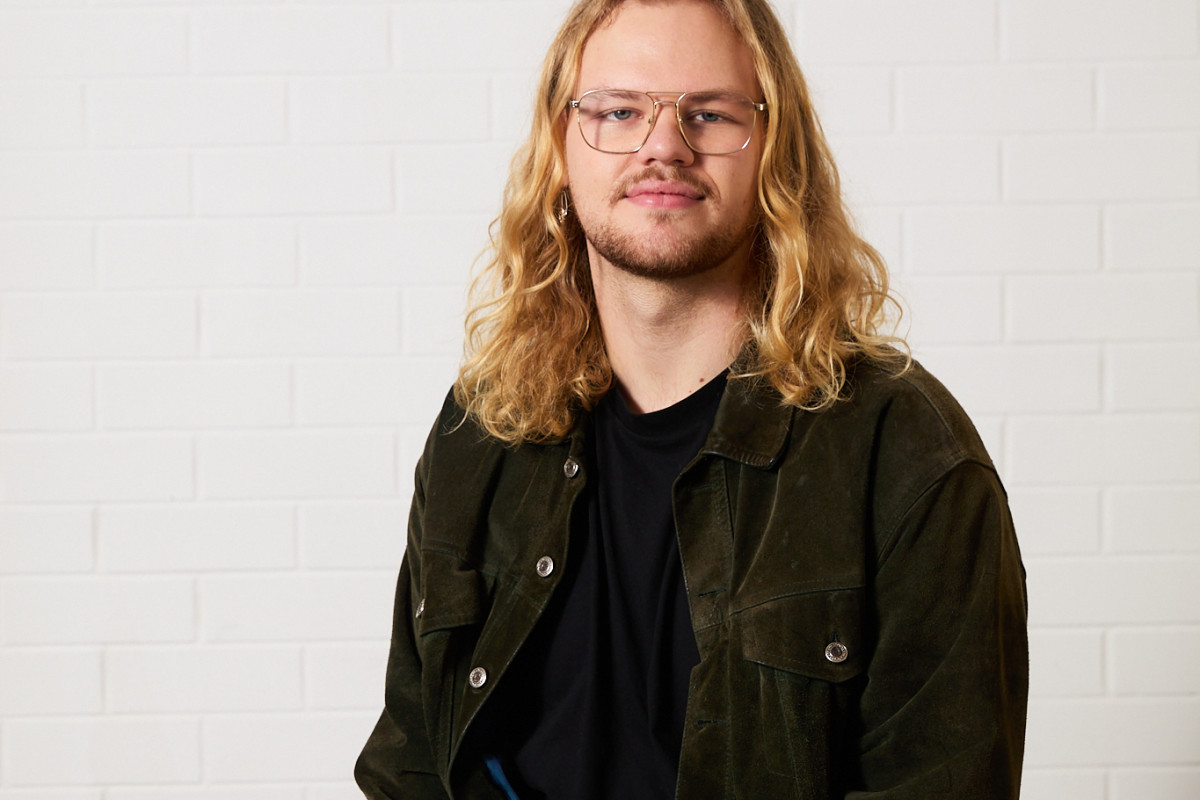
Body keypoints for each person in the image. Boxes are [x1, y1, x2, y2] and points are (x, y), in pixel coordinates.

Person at [355, 0, 1028, 797]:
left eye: (709, 114)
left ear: (777, 151)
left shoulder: (906, 454)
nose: (663, 146)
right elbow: (411, 767)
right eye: (618, 112)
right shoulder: (481, 431)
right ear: (560, 148)